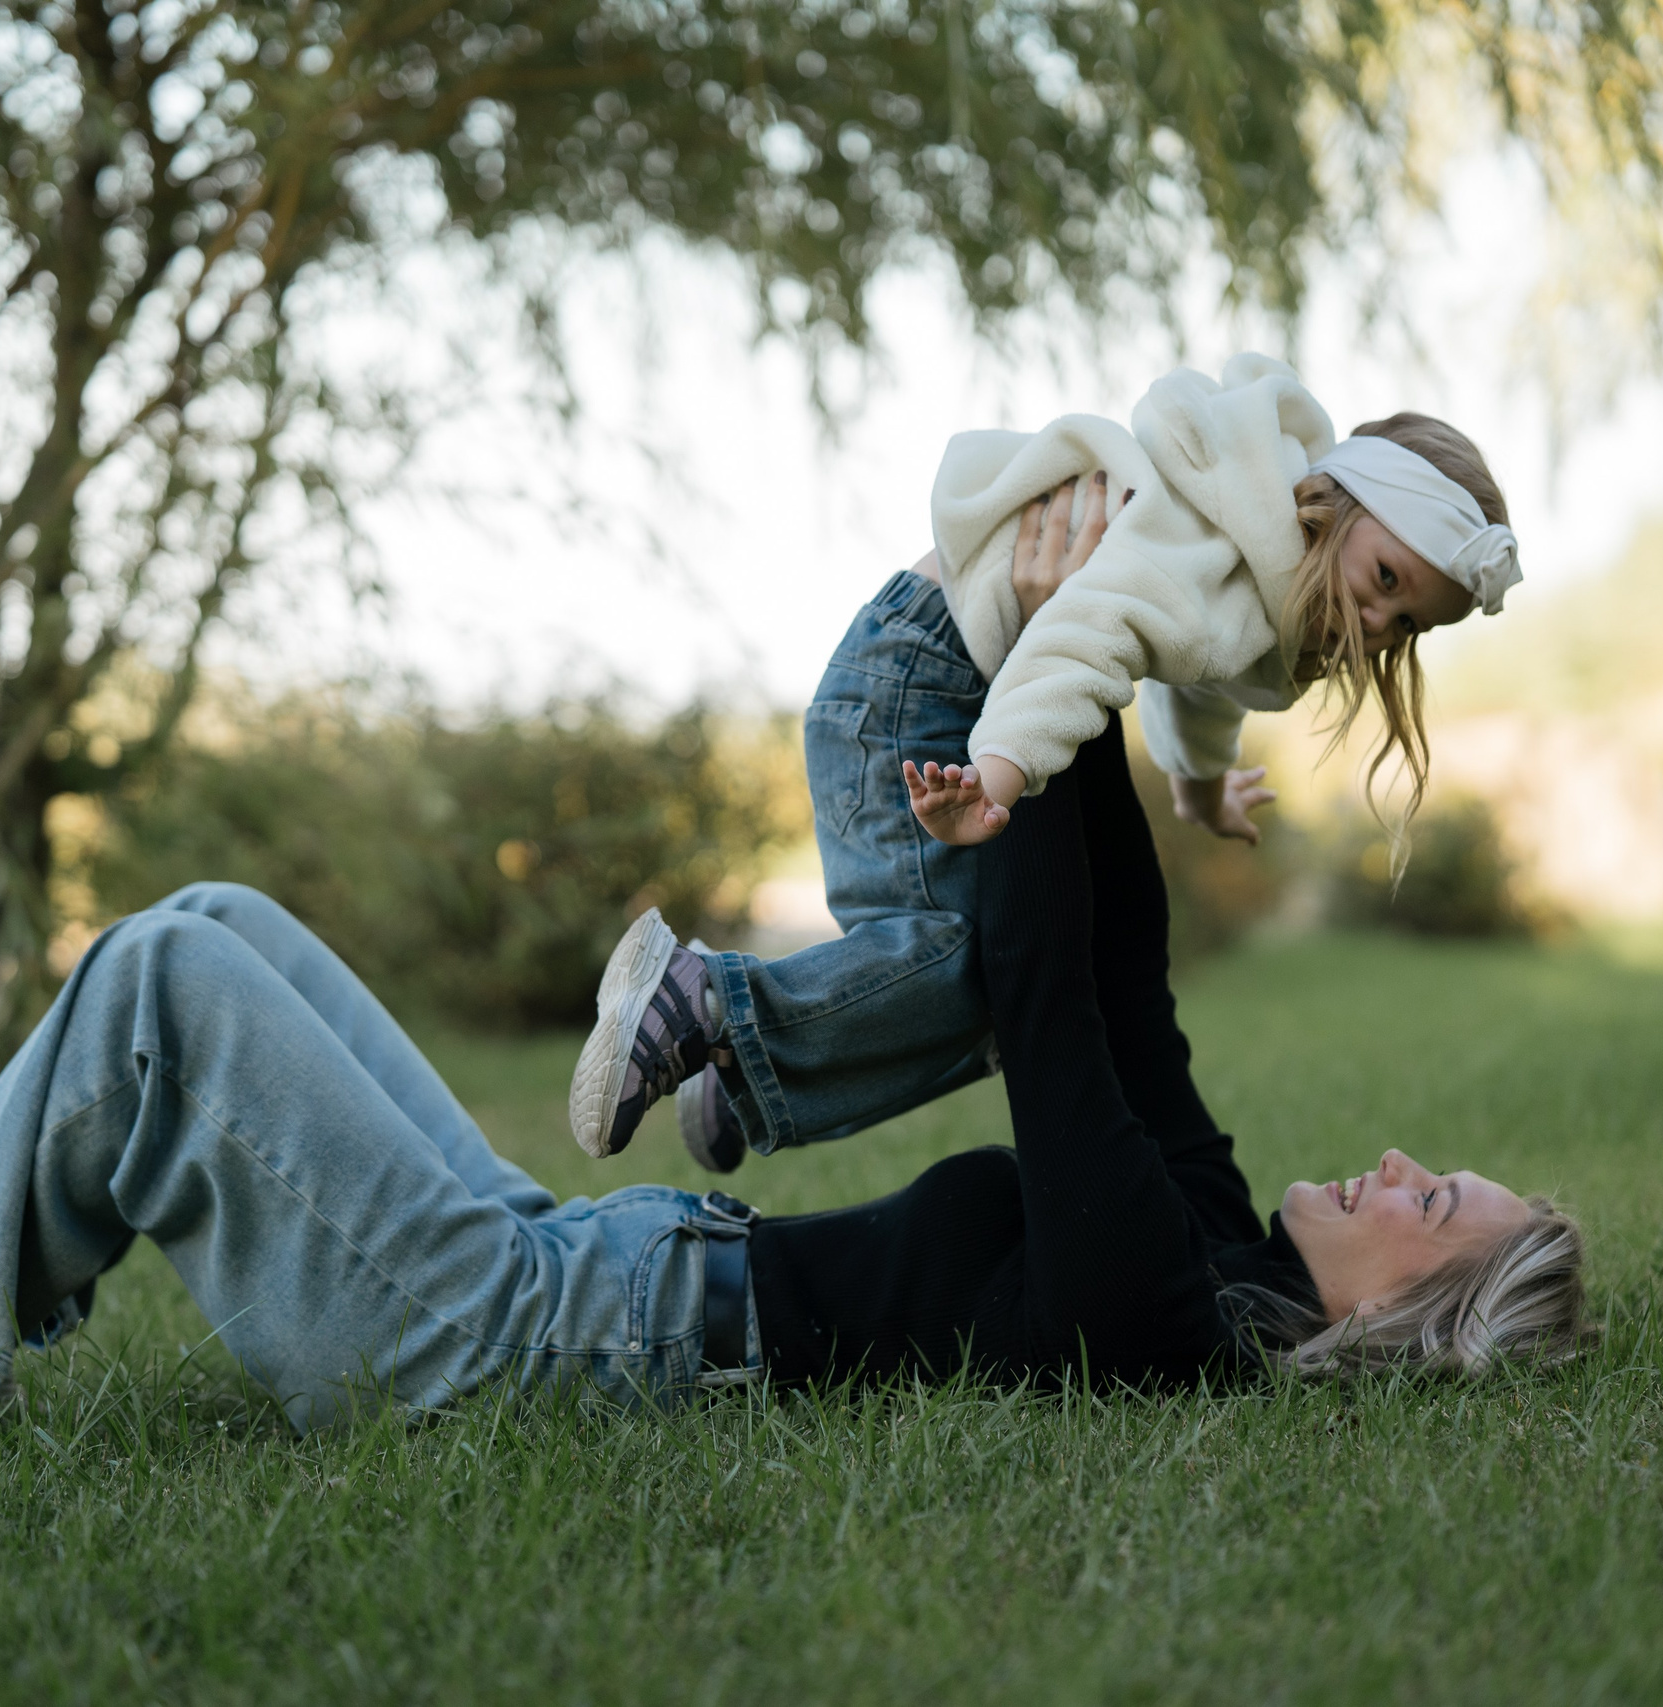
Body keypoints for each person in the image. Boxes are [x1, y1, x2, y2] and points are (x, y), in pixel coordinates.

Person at [0, 724, 1584, 1442]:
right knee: (212, 910)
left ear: (1413, 1324)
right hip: (591, 1271)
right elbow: (1135, 1010)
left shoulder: (1165, 1323)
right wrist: (1089, 676)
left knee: (153, 979)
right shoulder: (1208, 1251)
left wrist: (1022, 771)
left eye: (1434, 1204)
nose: (1399, 1163)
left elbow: (1054, 1021)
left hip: (536, 1345)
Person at [569, 355, 1518, 1171]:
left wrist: (1196, 783)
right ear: (1337, 505)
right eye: (1384, 580)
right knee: (994, 979)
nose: (1379, 623)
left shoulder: (1249, 548)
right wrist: (999, 776)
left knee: (996, 991)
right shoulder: (1223, 539)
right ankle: (702, 1008)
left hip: (927, 681)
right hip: (924, 685)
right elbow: (1085, 636)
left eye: (1409, 624)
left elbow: (1189, 670)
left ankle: (734, 1055)